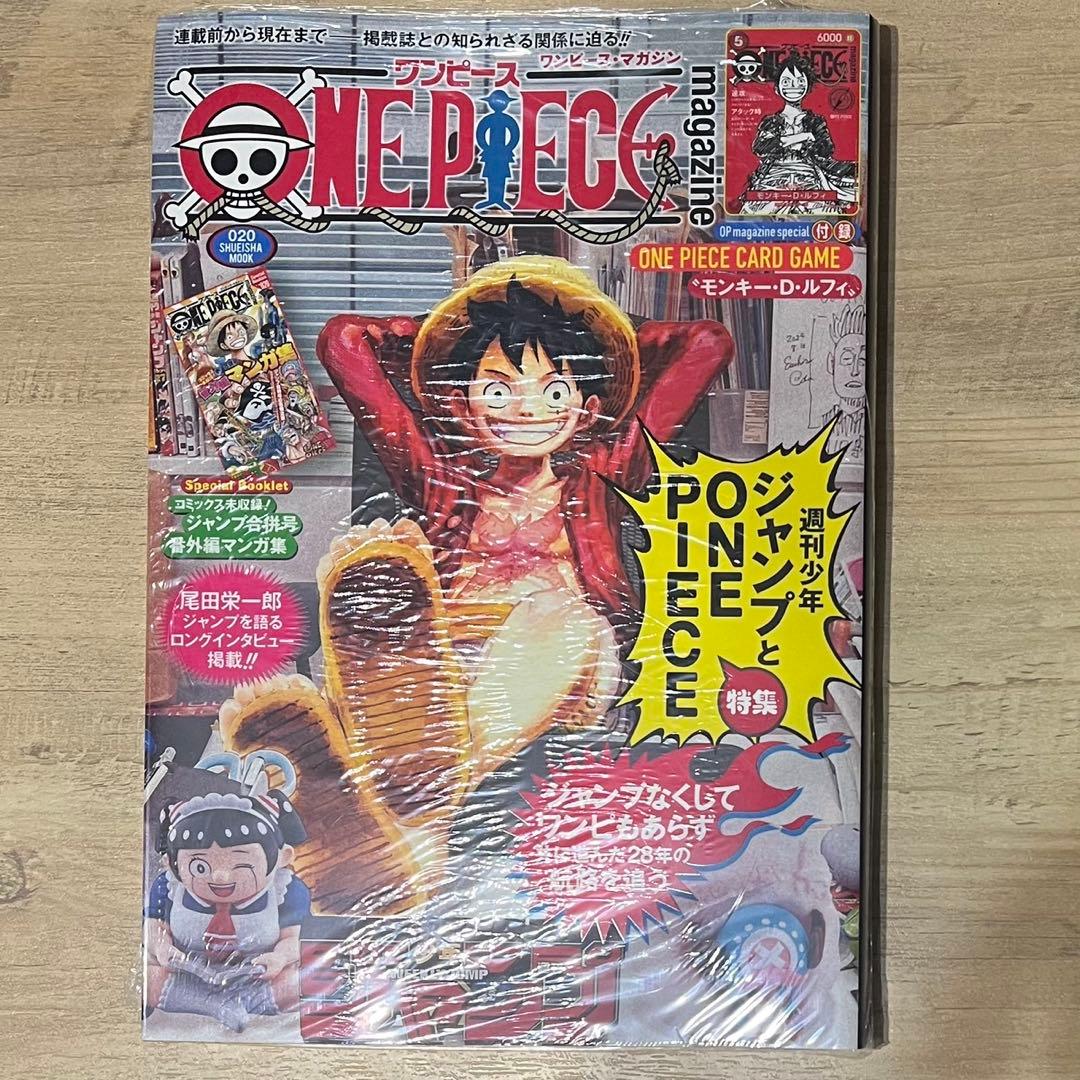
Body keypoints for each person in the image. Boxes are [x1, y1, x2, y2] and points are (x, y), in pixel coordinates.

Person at [219, 256, 735, 911]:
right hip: (431, 663)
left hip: (557, 664)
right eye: (497, 390)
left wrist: (582, 320)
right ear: (461, 404)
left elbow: (707, 343)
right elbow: (343, 341)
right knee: (357, 653)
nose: (526, 408)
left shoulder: (606, 473)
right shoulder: (438, 478)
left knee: (558, 615)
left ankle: (408, 811)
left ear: (586, 410)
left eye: (553, 392)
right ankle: (394, 846)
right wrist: (453, 331)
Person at [144, 789, 310, 1032]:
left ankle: (243, 1003)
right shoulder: (168, 887)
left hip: (256, 976)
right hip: (188, 975)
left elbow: (293, 938)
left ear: (282, 858)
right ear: (171, 863)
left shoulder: (286, 889)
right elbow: (154, 927)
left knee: (303, 980)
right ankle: (209, 1004)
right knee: (146, 977)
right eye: (200, 866)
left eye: (241, 864)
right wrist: (162, 948)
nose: (220, 876)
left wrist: (280, 958)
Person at [741, 52, 856, 216]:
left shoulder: (815, 121)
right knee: (753, 215)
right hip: (774, 176)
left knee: (826, 214)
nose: (793, 87)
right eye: (786, 82)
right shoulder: (771, 121)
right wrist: (804, 137)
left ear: (808, 87)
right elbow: (760, 147)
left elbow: (826, 149)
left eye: (800, 81)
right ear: (777, 89)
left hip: (808, 175)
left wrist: (789, 142)